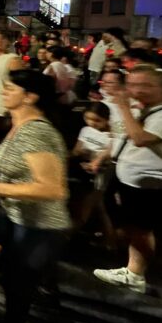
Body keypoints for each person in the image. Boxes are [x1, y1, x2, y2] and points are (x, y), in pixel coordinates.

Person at [0, 69, 70, 323]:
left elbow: (53, 188)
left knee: (19, 286)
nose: (3, 92)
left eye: (10, 89)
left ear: (30, 97)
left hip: (39, 225)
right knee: (12, 277)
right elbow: (23, 165)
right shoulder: (19, 126)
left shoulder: (37, 133)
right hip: (19, 217)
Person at [92, 65, 162, 293]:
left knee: (141, 229)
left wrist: (123, 107)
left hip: (150, 184)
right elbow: (121, 137)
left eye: (145, 85)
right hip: (129, 178)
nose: (137, 89)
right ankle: (133, 270)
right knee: (135, 228)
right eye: (133, 84)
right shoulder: (140, 109)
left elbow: (139, 138)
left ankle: (136, 273)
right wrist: (104, 157)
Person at [69, 102, 116, 249]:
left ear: (107, 119)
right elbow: (77, 151)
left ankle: (65, 235)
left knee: (88, 206)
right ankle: (110, 241)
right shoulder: (86, 130)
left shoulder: (112, 137)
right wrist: (78, 155)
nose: (92, 123)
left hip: (100, 175)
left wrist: (95, 161)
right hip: (84, 172)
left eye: (97, 120)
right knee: (99, 207)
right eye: (88, 118)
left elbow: (109, 158)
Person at [0, 31, 24, 141]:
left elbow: (20, 85)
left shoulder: (12, 59)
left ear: (7, 41)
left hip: (7, 111)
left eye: (1, 38)